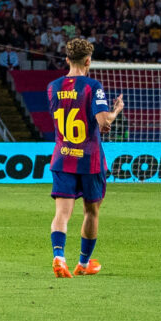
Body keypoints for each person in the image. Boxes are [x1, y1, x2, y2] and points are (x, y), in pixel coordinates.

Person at [46, 35, 121, 278]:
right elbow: (103, 122)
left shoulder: (53, 87)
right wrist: (115, 111)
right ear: (88, 61)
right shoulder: (92, 86)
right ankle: (83, 264)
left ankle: (59, 257)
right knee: (91, 211)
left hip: (63, 156)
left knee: (61, 214)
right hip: (90, 160)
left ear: (67, 59)